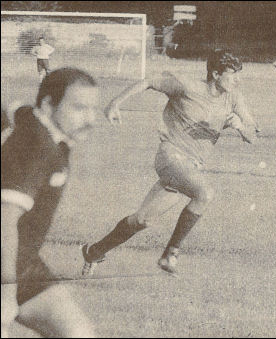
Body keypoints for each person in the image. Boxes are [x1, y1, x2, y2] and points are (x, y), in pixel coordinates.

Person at [81, 49, 259, 276]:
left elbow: (253, 135)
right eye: (232, 74)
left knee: (142, 220)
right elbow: (148, 82)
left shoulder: (233, 98)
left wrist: (240, 126)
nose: (237, 79)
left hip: (190, 167)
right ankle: (170, 254)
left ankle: (94, 251)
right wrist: (115, 103)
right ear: (215, 74)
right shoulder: (187, 87)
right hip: (170, 156)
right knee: (204, 193)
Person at [1, 68, 99, 337]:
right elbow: (4, 222)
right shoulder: (38, 149)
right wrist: (5, 293)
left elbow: (13, 107)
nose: (90, 119)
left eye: (93, 109)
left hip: (23, 263)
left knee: (78, 333)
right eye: (79, 108)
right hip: (5, 267)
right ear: (48, 104)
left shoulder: (33, 119)